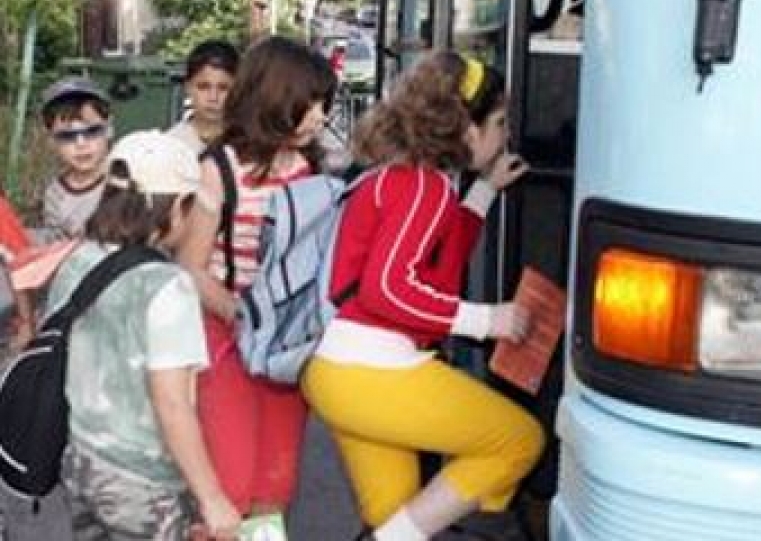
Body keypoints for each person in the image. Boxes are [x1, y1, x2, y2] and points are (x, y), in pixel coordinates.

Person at [302, 51, 545, 541]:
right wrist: (486, 320)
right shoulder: (425, 186)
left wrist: (484, 192)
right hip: (376, 371)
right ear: (467, 129)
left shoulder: (404, 177)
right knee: (518, 440)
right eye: (499, 123)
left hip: (341, 373)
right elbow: (390, 288)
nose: (504, 136)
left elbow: (435, 267)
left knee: (399, 515)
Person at [178, 36, 337, 518]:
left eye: (323, 105)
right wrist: (239, 315)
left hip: (287, 344)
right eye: (311, 104)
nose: (321, 117)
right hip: (227, 334)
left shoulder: (313, 168)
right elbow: (190, 265)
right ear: (274, 99)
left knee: (277, 480)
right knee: (231, 481)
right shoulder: (220, 168)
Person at [55, 130, 241, 540]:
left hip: (82, 459)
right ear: (175, 206)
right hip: (143, 483)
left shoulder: (77, 259)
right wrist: (211, 498)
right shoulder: (167, 286)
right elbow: (172, 404)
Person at [39, 77, 113, 241]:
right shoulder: (55, 195)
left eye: (92, 131)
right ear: (52, 141)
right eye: (67, 136)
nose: (81, 144)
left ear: (109, 129)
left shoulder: (125, 181)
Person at [168, 40, 240, 154]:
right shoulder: (171, 146)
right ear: (188, 87)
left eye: (223, 88)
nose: (213, 97)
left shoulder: (248, 145)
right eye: (203, 87)